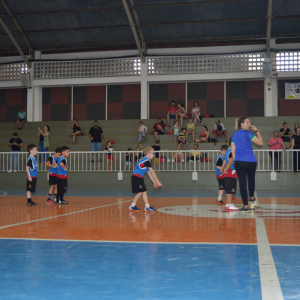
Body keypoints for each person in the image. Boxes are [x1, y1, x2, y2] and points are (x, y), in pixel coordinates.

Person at [231, 116, 263, 212]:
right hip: (251, 161)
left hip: (239, 161)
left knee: (242, 183)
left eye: (249, 122)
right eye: (247, 122)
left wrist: (235, 160)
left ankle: (245, 206)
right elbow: (260, 143)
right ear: (242, 124)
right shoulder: (249, 134)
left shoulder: (234, 135)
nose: (250, 124)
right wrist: (257, 130)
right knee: (251, 179)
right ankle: (252, 198)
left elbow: (233, 151)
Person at [129, 147, 163, 212]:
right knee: (143, 191)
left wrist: (154, 182)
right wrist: (158, 182)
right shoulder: (146, 161)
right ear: (147, 154)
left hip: (137, 177)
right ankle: (147, 207)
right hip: (137, 177)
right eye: (152, 153)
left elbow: (149, 173)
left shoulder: (146, 161)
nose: (153, 155)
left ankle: (133, 205)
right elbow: (152, 172)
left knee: (140, 192)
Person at [221, 139, 239, 211]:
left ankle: (229, 204)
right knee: (230, 189)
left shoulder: (227, 151)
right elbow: (230, 162)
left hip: (229, 172)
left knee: (229, 189)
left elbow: (225, 161)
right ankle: (228, 204)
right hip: (231, 172)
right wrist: (225, 169)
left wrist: (223, 168)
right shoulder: (232, 151)